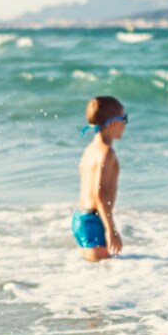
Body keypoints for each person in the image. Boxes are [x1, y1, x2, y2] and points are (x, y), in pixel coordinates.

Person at [72, 95, 127, 261]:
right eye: (124, 119)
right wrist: (111, 230)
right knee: (103, 272)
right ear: (113, 123)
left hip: (80, 218)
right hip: (94, 220)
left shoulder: (90, 150)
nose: (125, 124)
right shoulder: (107, 153)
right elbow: (100, 193)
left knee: (93, 272)